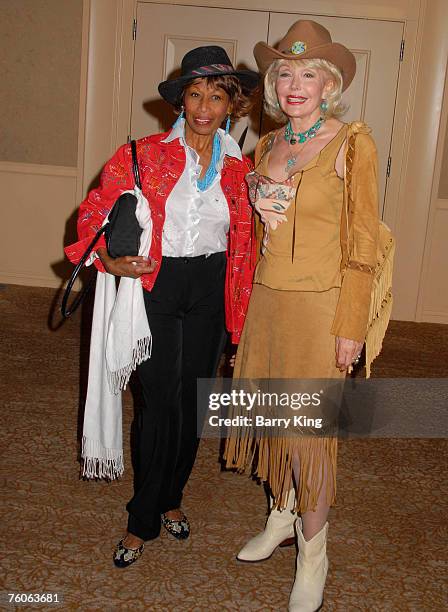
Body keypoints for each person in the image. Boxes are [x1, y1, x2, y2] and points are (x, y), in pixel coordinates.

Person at [66, 46, 259, 568]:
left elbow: (253, 239)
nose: (203, 106)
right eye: (195, 94)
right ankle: (141, 519)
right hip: (158, 281)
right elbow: (92, 216)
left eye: (216, 96)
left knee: (194, 400)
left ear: (231, 105)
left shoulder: (245, 167)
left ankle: (172, 496)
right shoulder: (142, 153)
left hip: (212, 283)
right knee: (158, 401)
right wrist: (109, 258)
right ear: (181, 101)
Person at [224, 21, 379, 611]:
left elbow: (363, 243)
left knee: (310, 437)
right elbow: (253, 241)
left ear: (329, 84)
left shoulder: (351, 143)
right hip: (268, 302)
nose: (295, 83)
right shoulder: (267, 146)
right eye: (284, 73)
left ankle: (314, 553)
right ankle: (281, 515)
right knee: (270, 417)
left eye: (309, 73)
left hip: (321, 309)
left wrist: (351, 325)